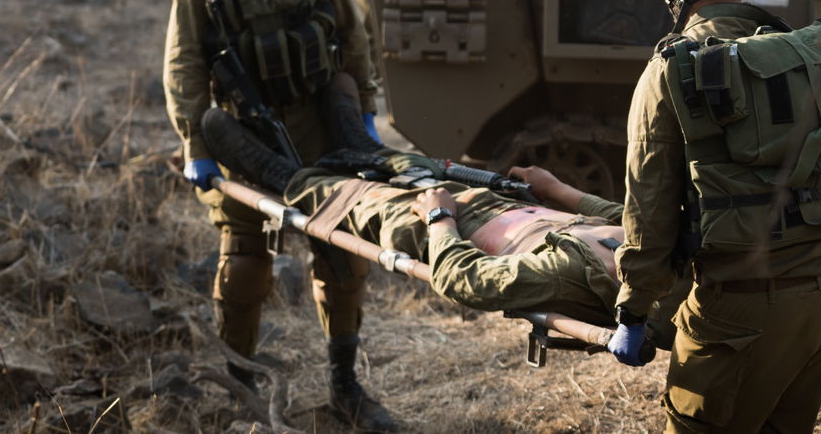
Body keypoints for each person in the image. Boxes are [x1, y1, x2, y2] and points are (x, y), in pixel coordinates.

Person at [161, 0, 392, 431]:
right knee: (244, 266)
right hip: (243, 134)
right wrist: (195, 144)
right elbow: (184, 56)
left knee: (340, 257)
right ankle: (240, 389)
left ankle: (345, 385)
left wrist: (362, 111)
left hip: (318, 122)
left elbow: (350, 32)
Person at [608, 0, 821, 433]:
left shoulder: (671, 70)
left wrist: (633, 312)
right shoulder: (808, 53)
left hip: (737, 318)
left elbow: (649, 206)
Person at [199, 96, 682, 346]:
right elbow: (615, 214)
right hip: (500, 200)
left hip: (438, 225)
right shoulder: (655, 248)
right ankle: (367, 147)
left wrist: (438, 218)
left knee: (352, 196)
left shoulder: (568, 276)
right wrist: (559, 189)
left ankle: (280, 173)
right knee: (412, 165)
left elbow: (464, 280)